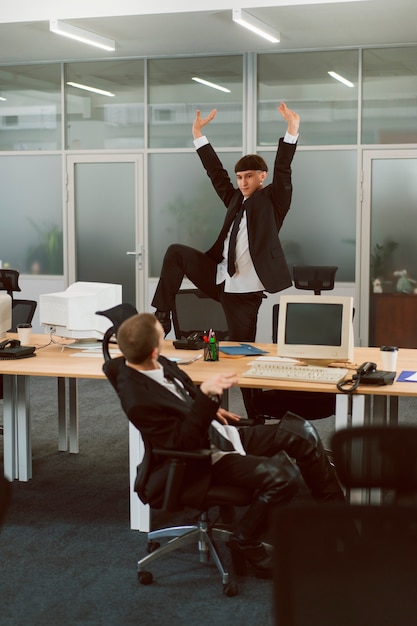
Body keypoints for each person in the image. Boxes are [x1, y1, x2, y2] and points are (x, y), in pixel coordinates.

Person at [105, 313, 345, 580]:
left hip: (215, 434)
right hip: (200, 458)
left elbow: (184, 394)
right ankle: (246, 540)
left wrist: (213, 410)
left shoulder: (156, 362)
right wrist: (207, 399)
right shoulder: (139, 398)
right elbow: (184, 442)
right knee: (285, 477)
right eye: (163, 336)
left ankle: (338, 519)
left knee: (301, 432)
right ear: (153, 350)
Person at [152, 101, 299, 341]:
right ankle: (162, 315)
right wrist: (198, 136)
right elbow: (216, 173)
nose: (243, 182)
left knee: (240, 351)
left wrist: (291, 131)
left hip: (245, 292)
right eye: (240, 177)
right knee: (176, 253)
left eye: (249, 176)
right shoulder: (234, 199)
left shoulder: (274, 201)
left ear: (262, 177)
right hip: (219, 277)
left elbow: (283, 168)